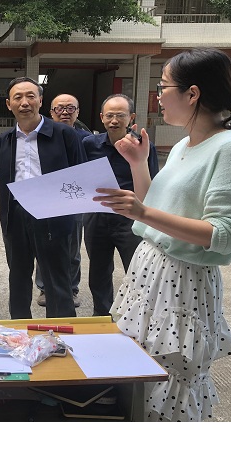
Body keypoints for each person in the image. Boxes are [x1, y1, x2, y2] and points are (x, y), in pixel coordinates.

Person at [94, 48, 231, 421]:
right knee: (140, 368)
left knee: (171, 378)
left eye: (163, 86)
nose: (157, 96)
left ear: (193, 94)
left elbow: (226, 233)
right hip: (151, 270)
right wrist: (138, 164)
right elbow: (157, 207)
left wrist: (142, 212)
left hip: (183, 279)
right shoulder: (185, 144)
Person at [0, 77, 87, 319]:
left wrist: (68, 215)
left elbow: (80, 177)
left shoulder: (65, 135)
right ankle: (19, 328)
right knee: (18, 276)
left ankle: (61, 330)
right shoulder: (3, 141)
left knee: (57, 278)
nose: (24, 102)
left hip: (53, 214)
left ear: (41, 101)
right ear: (9, 104)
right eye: (17, 97)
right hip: (16, 215)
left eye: (30, 96)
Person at [82, 94, 159, 316]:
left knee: (137, 269)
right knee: (99, 270)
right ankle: (101, 314)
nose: (114, 120)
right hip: (97, 215)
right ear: (101, 118)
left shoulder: (143, 146)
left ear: (131, 117)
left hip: (130, 218)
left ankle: (137, 317)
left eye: (120, 115)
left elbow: (153, 183)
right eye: (109, 116)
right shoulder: (89, 144)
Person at [34, 93, 88, 308]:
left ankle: (71, 289)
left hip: (75, 200)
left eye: (70, 108)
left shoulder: (86, 139)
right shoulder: (40, 136)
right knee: (44, 246)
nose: (65, 112)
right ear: (51, 112)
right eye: (59, 108)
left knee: (72, 248)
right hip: (46, 200)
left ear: (78, 112)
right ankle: (45, 288)